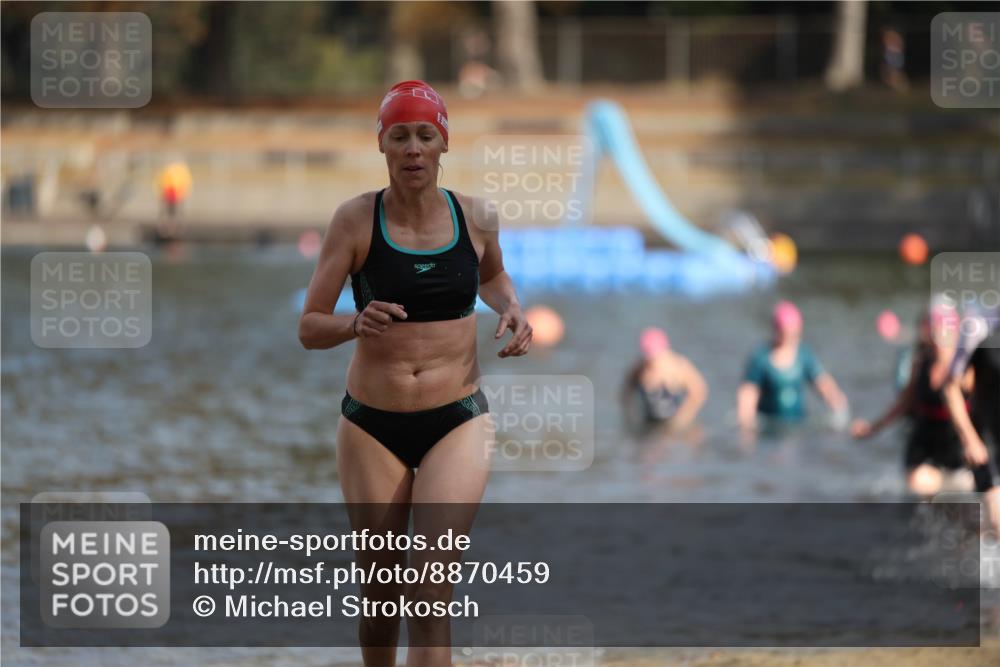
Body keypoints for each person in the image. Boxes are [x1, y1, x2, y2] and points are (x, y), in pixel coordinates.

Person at [298, 80, 531, 667]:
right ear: (382, 145)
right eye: (399, 136)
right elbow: (309, 326)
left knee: (430, 590)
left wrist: (511, 306)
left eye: (425, 135)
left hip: (457, 419)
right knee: (380, 595)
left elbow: (492, 277)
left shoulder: (478, 217)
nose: (413, 149)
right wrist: (354, 324)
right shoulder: (353, 221)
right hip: (372, 426)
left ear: (443, 143)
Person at [851, 306, 996, 501]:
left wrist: (972, 440)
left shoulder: (967, 368)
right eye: (933, 331)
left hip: (959, 444)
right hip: (926, 442)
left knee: (980, 494)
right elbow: (902, 405)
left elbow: (984, 400)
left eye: (944, 332)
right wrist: (872, 429)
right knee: (920, 485)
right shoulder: (920, 365)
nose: (938, 339)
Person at [736, 301, 847, 435]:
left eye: (794, 333)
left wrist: (838, 405)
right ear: (777, 330)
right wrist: (746, 426)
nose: (790, 338)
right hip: (768, 427)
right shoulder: (761, 358)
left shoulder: (804, 356)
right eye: (786, 333)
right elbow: (748, 394)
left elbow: (823, 383)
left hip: (797, 424)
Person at [943, 302, 1000, 536]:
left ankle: (970, 537)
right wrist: (969, 439)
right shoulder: (978, 326)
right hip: (987, 439)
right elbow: (950, 387)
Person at [623, 326, 708, 435]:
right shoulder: (640, 369)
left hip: (675, 426)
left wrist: (683, 418)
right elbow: (625, 394)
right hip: (649, 424)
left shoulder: (678, 366)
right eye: (649, 356)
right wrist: (629, 419)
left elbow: (699, 391)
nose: (652, 360)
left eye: (655, 356)